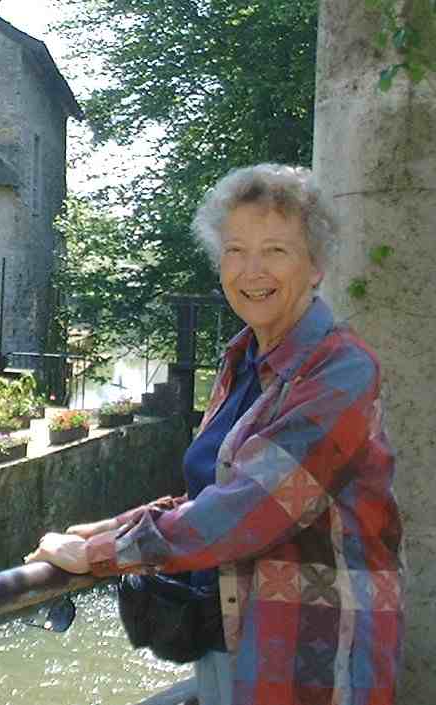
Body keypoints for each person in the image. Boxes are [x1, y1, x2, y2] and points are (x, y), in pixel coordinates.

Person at [25, 164, 404, 705]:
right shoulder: (243, 357)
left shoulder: (340, 371)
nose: (251, 270)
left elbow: (252, 509)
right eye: (235, 250)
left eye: (276, 250)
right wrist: (115, 525)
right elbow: (219, 488)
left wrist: (103, 552)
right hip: (231, 639)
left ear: (316, 265)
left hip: (315, 659)